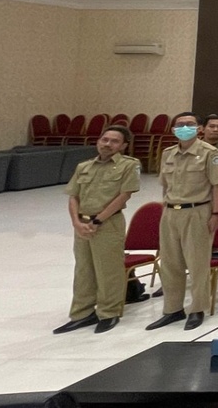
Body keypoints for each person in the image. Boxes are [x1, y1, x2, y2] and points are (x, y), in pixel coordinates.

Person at [55, 125, 140, 334]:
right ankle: (82, 313)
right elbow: (73, 195)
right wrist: (76, 222)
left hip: (108, 223)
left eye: (114, 141)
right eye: (105, 139)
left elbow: (124, 196)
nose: (107, 144)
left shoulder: (129, 166)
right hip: (82, 225)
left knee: (108, 270)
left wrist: (97, 220)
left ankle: (109, 312)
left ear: (123, 146)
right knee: (83, 270)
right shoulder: (84, 167)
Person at [147, 112, 218, 331]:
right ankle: (172, 309)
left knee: (197, 263)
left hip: (198, 211)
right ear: (173, 129)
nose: (184, 127)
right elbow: (165, 185)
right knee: (170, 263)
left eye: (190, 124)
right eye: (180, 124)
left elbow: (217, 186)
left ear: (199, 128)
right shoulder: (168, 153)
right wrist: (165, 207)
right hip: (171, 212)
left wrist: (216, 213)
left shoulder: (210, 153)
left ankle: (197, 309)